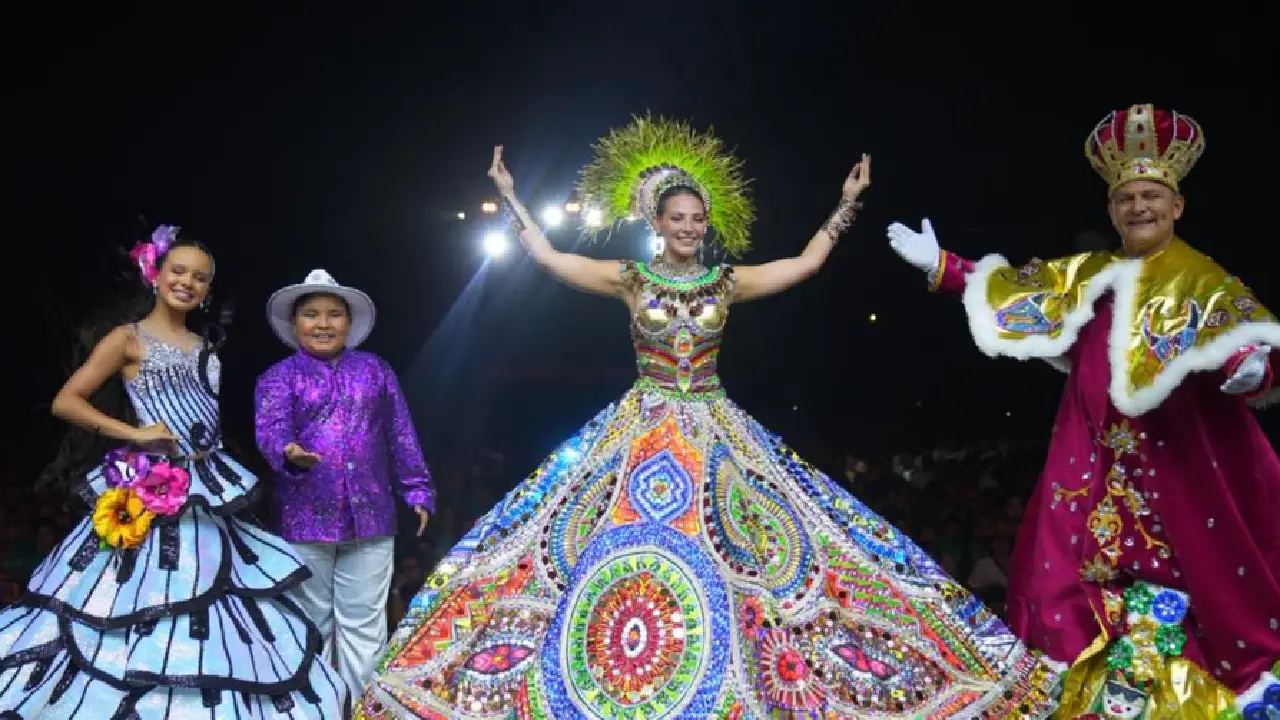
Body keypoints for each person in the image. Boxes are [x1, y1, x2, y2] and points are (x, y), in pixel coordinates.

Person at [353, 115, 1060, 719]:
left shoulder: (728, 280)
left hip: (715, 429)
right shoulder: (631, 279)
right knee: (605, 550)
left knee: (752, 559)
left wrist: (845, 206)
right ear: (656, 224)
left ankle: (724, 683)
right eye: (677, 219)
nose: (690, 227)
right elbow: (546, 258)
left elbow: (806, 265)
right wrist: (508, 197)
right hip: (642, 427)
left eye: (698, 220)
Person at [887, 103, 1280, 717]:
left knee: (1195, 621)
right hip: (1093, 476)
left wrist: (1252, 363)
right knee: (1063, 605)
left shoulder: (1202, 281)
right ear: (1111, 210)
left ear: (1177, 205)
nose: (1139, 207)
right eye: (1127, 198)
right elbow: (1020, 292)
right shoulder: (1090, 275)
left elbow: (1247, 337)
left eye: (1151, 195)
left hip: (1177, 483)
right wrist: (945, 269)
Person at [0, 226, 347, 718]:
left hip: (208, 489)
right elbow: (66, 402)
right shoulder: (128, 338)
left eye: (200, 278)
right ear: (156, 274)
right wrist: (133, 433)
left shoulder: (206, 345)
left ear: (207, 291)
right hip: (150, 487)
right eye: (178, 271)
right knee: (135, 600)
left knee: (213, 601)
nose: (188, 282)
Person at [254, 269, 435, 699]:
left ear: (349, 324)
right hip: (303, 518)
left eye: (334, 315)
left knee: (365, 626)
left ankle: (359, 710)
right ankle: (311, 709)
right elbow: (270, 430)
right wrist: (288, 453)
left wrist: (418, 488)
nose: (323, 323)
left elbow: (400, 432)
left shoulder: (376, 371)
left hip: (372, 516)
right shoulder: (279, 377)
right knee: (310, 622)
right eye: (311, 314)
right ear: (294, 324)